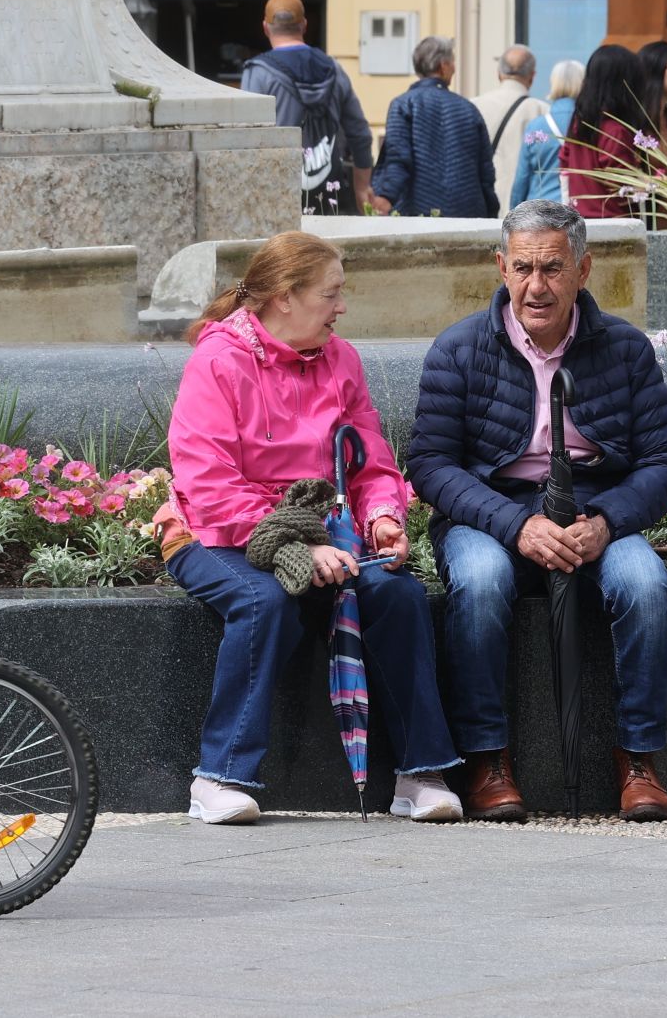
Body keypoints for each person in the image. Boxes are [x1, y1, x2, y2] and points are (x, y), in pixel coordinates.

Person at [160, 231, 462, 825]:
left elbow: (371, 459)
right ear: (283, 297)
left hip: (324, 536)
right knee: (264, 598)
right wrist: (301, 543)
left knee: (398, 596)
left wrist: (382, 518)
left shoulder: (341, 359)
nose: (341, 308)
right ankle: (216, 777)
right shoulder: (217, 361)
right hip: (212, 533)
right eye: (331, 294)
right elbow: (208, 484)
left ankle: (417, 774)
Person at [407, 200, 667, 823]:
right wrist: (515, 525)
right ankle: (486, 759)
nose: (538, 286)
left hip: (593, 511)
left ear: (583, 270)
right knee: (478, 582)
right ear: (501, 267)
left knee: (644, 582)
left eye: (554, 268)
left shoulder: (625, 349)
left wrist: (606, 522)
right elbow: (429, 464)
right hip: (491, 513)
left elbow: (666, 460)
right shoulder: (458, 349)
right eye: (524, 268)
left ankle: (638, 759)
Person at [239, 0, 376, 215]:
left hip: (277, 197)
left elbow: (245, 139)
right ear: (303, 25)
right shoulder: (334, 68)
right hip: (329, 196)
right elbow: (360, 133)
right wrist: (362, 188)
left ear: (265, 27)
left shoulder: (257, 73)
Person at [371, 36, 500, 218]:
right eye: (452, 62)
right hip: (467, 216)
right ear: (443, 66)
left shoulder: (403, 104)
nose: (454, 68)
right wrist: (491, 213)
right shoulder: (468, 109)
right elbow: (486, 172)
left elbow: (398, 158)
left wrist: (386, 196)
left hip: (417, 215)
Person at [558, 43, 645, 218]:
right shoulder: (616, 130)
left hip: (579, 221)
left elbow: (564, 161)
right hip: (613, 225)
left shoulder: (578, 123)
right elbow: (621, 185)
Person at [470, 44, 550, 209]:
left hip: (482, 204)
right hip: (524, 210)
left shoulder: (473, 106)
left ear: (499, 74)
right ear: (532, 76)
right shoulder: (541, 111)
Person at [511, 59, 583, 209]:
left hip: (539, 210)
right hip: (576, 209)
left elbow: (522, 178)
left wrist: (513, 211)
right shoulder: (589, 126)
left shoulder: (537, 126)